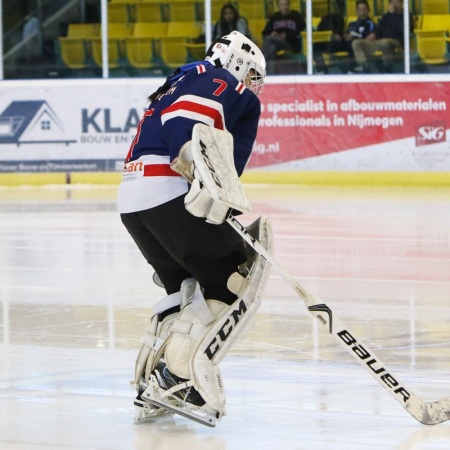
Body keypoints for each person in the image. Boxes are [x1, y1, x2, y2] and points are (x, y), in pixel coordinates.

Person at [117, 31, 272, 427]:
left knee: (185, 289)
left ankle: (152, 381)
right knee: (233, 279)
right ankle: (179, 377)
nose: (252, 84)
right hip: (169, 195)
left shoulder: (180, 78)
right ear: (235, 61)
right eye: (252, 73)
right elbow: (184, 120)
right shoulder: (216, 78)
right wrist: (190, 157)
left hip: (135, 200)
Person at [351, 0, 413, 73]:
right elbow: (378, 27)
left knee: (384, 42)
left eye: (396, 2)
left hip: (397, 42)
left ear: (402, 2)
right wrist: (373, 33)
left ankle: (387, 67)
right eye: (392, 2)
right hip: (381, 42)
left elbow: (403, 29)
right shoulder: (387, 15)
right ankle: (364, 66)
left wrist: (393, 14)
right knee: (356, 43)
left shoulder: (406, 15)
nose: (394, 4)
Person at [315, 0, 376, 74]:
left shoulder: (371, 24)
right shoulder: (352, 24)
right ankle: (322, 70)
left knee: (353, 44)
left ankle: (352, 69)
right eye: (360, 10)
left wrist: (353, 38)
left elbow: (368, 40)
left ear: (368, 10)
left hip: (356, 45)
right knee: (315, 46)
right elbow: (346, 34)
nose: (362, 12)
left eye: (364, 9)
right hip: (345, 44)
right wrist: (340, 36)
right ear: (356, 11)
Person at [261, 0, 306, 74]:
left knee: (268, 39)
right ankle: (271, 74)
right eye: (282, 5)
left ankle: (261, 64)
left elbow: (302, 32)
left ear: (289, 5)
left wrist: (287, 35)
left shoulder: (296, 15)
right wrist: (272, 33)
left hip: (290, 44)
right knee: (272, 48)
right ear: (278, 6)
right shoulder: (274, 17)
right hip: (275, 42)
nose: (284, 7)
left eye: (286, 4)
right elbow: (265, 33)